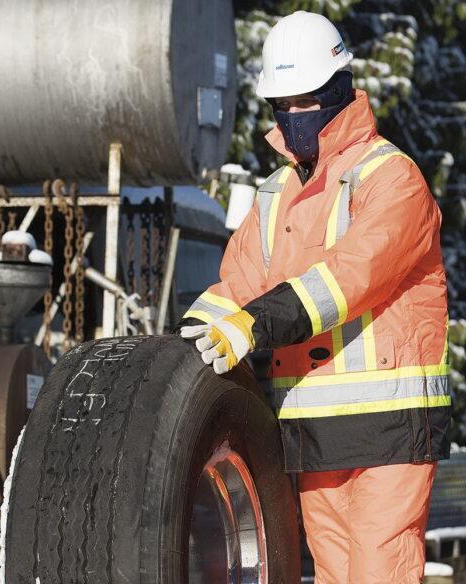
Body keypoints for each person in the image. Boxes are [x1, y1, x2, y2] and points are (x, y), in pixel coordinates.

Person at [178, 10, 451, 584]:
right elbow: (239, 285)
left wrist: (256, 323)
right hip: (312, 432)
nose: (296, 118)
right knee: (331, 576)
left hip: (391, 432)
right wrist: (182, 349)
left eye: (308, 102)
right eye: (286, 106)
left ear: (339, 93)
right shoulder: (275, 195)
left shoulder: (392, 179)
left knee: (381, 572)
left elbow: (350, 276)